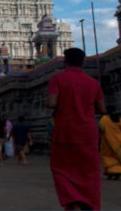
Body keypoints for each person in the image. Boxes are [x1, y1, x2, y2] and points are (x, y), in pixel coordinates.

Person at [47, 47, 106, 211]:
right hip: (88, 134)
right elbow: (102, 109)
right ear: (83, 62)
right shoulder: (93, 83)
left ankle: (73, 202)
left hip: (65, 131)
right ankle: (88, 203)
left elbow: (51, 103)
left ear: (65, 61)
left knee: (62, 170)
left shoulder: (57, 79)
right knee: (89, 171)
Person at [99, 110, 121, 180]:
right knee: (118, 156)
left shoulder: (104, 119)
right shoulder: (119, 118)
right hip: (119, 140)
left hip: (107, 141)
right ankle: (118, 172)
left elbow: (101, 127)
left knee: (108, 157)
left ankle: (111, 172)